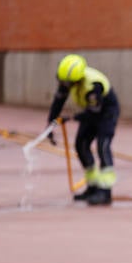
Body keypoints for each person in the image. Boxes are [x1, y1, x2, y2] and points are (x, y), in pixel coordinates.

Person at [45, 54, 120, 206]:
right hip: (90, 112)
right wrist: (50, 126)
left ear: (77, 80)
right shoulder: (68, 81)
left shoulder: (93, 86)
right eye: (62, 81)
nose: (64, 85)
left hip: (106, 113)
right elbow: (58, 103)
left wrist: (72, 117)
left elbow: (95, 111)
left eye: (67, 83)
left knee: (102, 146)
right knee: (81, 145)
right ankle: (92, 187)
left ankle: (105, 191)